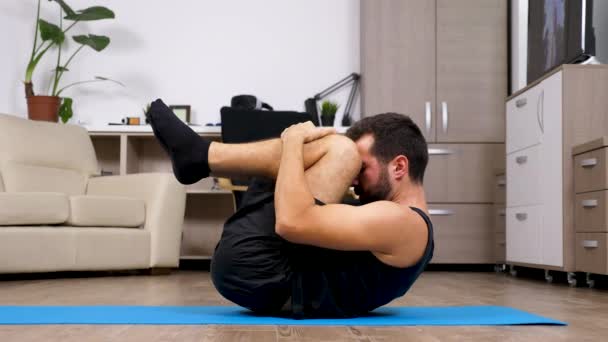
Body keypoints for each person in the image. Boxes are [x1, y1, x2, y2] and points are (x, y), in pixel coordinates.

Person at [146, 99, 434, 318]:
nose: (355, 178)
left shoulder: (403, 222)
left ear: (399, 166)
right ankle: (200, 157)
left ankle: (203, 156)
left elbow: (291, 223)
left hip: (265, 270)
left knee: (341, 151)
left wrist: (294, 141)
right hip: (264, 272)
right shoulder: (397, 219)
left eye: (364, 168)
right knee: (324, 152)